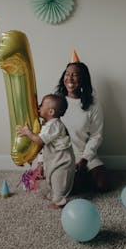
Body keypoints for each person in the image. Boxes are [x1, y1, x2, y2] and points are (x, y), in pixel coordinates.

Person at [38, 51, 110, 193]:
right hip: (60, 155)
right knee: (70, 188)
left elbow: (96, 136)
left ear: (83, 79)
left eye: (75, 74)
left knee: (104, 185)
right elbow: (44, 134)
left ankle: (79, 176)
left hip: (83, 154)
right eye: (67, 74)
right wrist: (41, 161)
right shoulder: (55, 102)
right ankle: (71, 179)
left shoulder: (93, 104)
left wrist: (84, 160)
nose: (69, 78)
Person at [16, 94, 75, 210]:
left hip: (63, 162)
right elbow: (43, 146)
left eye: (41, 105)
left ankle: (59, 202)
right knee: (51, 178)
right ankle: (54, 194)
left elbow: (39, 141)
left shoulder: (54, 125)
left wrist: (28, 133)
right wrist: (41, 163)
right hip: (54, 159)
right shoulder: (48, 125)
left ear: (51, 112)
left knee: (59, 181)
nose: (38, 107)